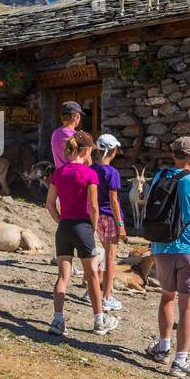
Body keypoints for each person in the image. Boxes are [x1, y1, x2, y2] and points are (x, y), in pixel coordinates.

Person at [143, 136, 190, 378]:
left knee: (166, 297)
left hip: (162, 248)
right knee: (188, 306)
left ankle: (162, 348)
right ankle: (181, 361)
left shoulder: (160, 177)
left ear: (173, 155)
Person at [45, 131, 118, 337]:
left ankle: (58, 319)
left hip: (65, 227)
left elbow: (49, 204)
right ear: (86, 150)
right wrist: (92, 227)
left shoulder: (58, 173)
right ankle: (99, 320)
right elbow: (94, 207)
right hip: (83, 226)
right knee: (92, 276)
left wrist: (61, 221)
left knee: (63, 276)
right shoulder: (89, 174)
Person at [92, 133, 129, 312]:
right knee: (110, 258)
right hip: (110, 217)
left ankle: (92, 290)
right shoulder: (112, 173)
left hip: (97, 216)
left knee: (101, 255)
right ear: (112, 151)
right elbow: (114, 201)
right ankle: (106, 296)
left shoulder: (91, 169)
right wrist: (120, 224)